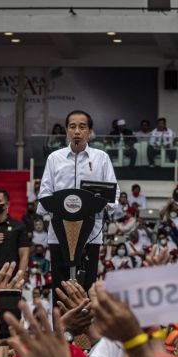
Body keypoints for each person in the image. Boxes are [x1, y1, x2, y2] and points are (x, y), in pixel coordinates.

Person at [37, 109, 119, 295]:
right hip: (59, 233)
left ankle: (84, 324)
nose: (77, 131)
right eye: (72, 126)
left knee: (86, 287)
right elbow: (44, 193)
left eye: (82, 127)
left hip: (91, 233)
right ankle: (58, 325)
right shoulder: (54, 158)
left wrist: (107, 205)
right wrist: (50, 207)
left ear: (89, 132)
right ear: (66, 131)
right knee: (60, 288)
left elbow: (114, 192)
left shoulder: (101, 158)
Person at [0, 189, 30, 285]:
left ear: (7, 204)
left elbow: (24, 255)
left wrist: (19, 279)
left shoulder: (19, 226)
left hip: (9, 280)